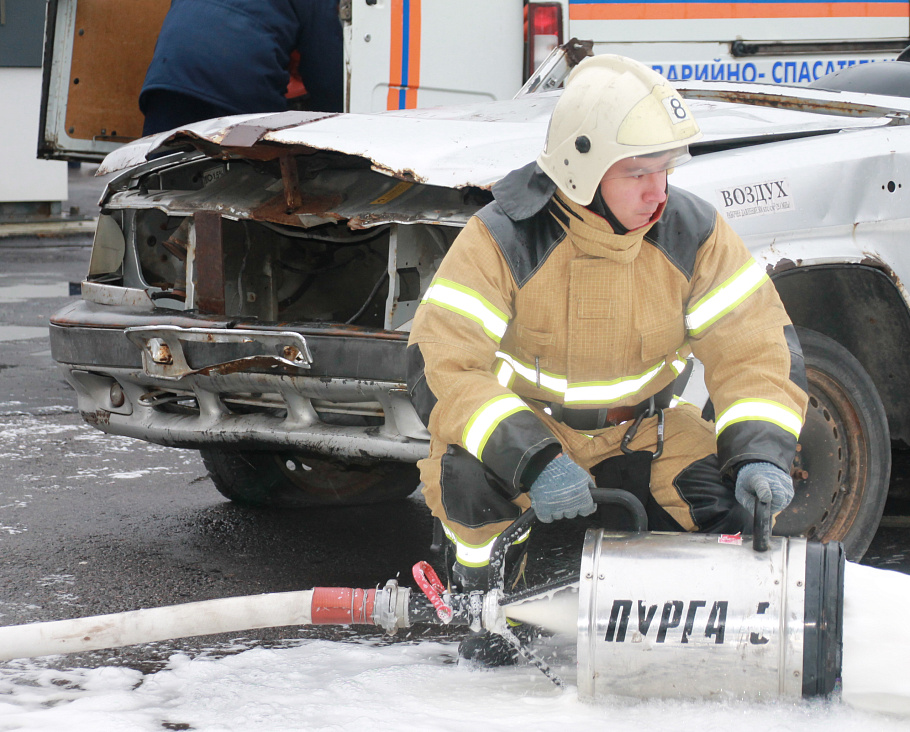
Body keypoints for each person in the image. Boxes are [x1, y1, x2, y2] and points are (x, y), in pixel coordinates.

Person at [406, 55, 808, 665]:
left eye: (665, 169)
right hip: (535, 440)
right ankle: (479, 606)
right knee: (465, 475)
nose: (658, 193)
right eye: (635, 173)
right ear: (581, 173)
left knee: (731, 506)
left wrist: (759, 451)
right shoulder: (503, 239)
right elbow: (442, 365)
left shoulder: (692, 233)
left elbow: (755, 349)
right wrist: (533, 459)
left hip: (646, 436)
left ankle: (708, 637)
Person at [139, 0, 343, 136]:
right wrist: (340, 130)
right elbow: (326, 75)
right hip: (240, 86)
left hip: (168, 75)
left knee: (159, 176)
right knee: (257, 180)